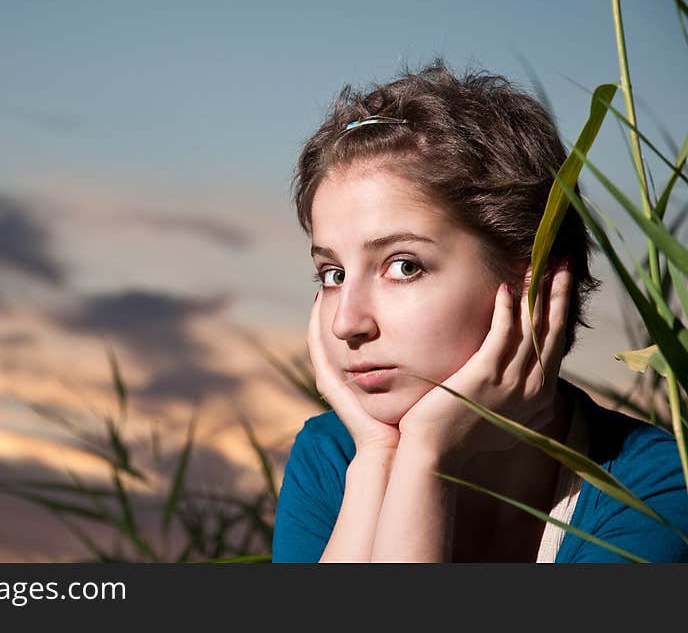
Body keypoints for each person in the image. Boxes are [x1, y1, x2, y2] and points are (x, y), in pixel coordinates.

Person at [271, 61, 688, 563]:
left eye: (403, 266)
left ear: (530, 284)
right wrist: (382, 460)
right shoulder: (334, 457)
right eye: (333, 275)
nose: (346, 323)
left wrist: (426, 457)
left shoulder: (653, 484)